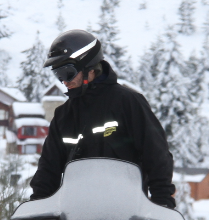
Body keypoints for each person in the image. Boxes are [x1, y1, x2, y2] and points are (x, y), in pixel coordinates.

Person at [28, 30, 177, 209]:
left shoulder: (128, 103)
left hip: (126, 216)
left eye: (67, 73)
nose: (64, 82)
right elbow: (48, 170)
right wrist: (37, 208)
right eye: (58, 75)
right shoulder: (63, 116)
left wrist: (162, 203)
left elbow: (156, 154)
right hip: (76, 218)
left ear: (89, 68)